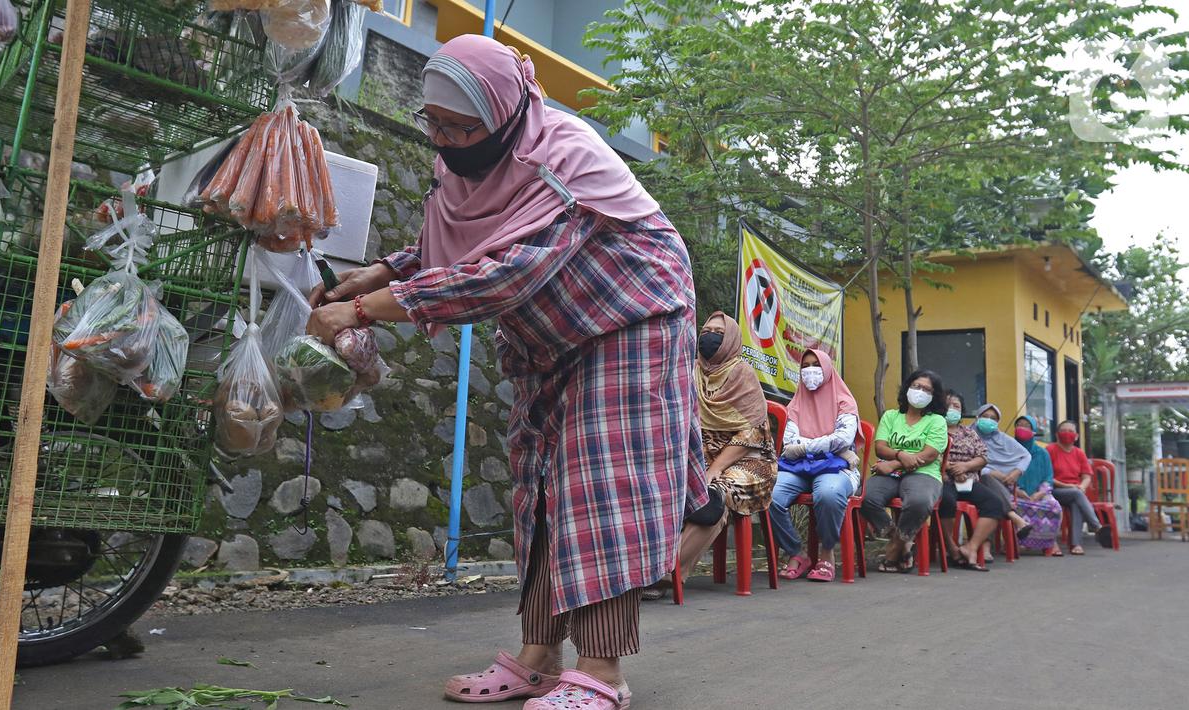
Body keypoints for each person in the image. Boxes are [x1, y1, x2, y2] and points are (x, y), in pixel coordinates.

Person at [306, 35, 706, 709]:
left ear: (504, 114)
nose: (444, 139)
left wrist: (367, 311)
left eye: (460, 128)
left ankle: (602, 674)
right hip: (552, 332)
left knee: (596, 481)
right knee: (538, 485)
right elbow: (461, 239)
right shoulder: (466, 168)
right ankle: (539, 657)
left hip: (632, 319)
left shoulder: (563, 158)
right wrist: (384, 269)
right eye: (432, 124)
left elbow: (505, 272)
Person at [647, 313, 778, 593]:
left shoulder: (743, 373)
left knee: (713, 495)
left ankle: (668, 571)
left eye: (718, 331)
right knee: (659, 487)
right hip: (699, 458)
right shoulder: (689, 371)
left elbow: (752, 434)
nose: (710, 336)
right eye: (706, 330)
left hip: (749, 461)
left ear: (730, 338)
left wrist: (715, 468)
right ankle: (661, 569)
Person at [768, 349, 862, 583]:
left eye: (816, 365)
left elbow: (844, 437)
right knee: (768, 495)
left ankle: (827, 553)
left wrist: (805, 445)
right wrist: (827, 444)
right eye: (806, 365)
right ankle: (797, 553)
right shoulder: (796, 403)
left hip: (836, 468)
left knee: (828, 494)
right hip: (799, 468)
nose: (810, 370)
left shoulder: (845, 401)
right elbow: (788, 444)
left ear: (828, 369)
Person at [861, 370, 948, 573]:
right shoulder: (891, 416)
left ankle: (893, 550)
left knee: (918, 502)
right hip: (890, 473)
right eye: (916, 386)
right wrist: (900, 455)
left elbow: (929, 454)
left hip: (924, 472)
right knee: (864, 495)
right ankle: (901, 541)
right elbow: (880, 447)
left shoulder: (937, 421)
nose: (920, 392)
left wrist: (893, 463)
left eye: (927, 389)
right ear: (907, 388)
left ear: (934, 396)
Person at [938, 391, 1010, 571]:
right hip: (943, 479)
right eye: (948, 405)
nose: (952, 409)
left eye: (956, 406)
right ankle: (951, 547)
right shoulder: (933, 429)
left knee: (995, 503)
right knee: (946, 501)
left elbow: (983, 457)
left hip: (967, 480)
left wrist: (966, 467)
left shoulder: (969, 433)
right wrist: (953, 468)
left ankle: (971, 547)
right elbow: (931, 455)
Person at [974, 404, 1036, 560]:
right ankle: (1015, 517)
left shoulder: (1002, 439)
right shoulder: (969, 436)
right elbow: (964, 461)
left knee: (991, 498)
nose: (988, 420)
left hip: (998, 487)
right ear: (977, 417)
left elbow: (1026, 456)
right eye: (985, 416)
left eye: (993, 418)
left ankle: (986, 547)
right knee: (988, 482)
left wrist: (1016, 472)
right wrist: (992, 472)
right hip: (970, 483)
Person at [1048, 420, 1105, 555]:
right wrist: (1070, 486)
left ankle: (1076, 545)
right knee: (1077, 494)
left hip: (1074, 492)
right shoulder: (1050, 450)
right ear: (1057, 434)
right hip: (1054, 490)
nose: (1067, 433)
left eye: (1071, 431)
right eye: (1064, 430)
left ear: (1077, 436)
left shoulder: (1079, 453)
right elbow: (1047, 477)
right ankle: (1096, 526)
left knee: (1076, 502)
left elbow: (1086, 476)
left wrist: (1082, 487)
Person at [1012, 415, 1064, 555]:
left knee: (1054, 507)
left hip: (1039, 493)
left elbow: (1049, 477)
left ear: (1034, 431)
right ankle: (1016, 542)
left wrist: (1040, 493)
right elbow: (1004, 474)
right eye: (1019, 425)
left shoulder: (1042, 453)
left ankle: (1050, 543)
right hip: (1015, 493)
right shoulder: (1010, 450)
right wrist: (1016, 490)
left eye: (1026, 426)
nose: (1022, 428)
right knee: (1012, 506)